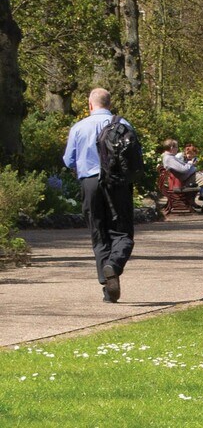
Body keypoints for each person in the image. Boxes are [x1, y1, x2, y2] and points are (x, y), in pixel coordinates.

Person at [63, 88, 143, 303]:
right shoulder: (123, 124)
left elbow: (68, 160)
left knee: (99, 233)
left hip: (90, 183)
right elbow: (136, 155)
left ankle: (108, 287)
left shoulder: (79, 127)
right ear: (110, 103)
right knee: (122, 232)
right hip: (117, 182)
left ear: (90, 105)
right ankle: (114, 265)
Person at [160, 138, 203, 210]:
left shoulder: (170, 157)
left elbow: (183, 169)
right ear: (171, 148)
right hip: (190, 178)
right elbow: (183, 170)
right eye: (176, 147)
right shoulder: (169, 158)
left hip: (192, 176)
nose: (177, 149)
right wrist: (190, 163)